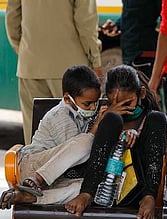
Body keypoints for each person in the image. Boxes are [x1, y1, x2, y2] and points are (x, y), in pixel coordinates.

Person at [65, 65, 167, 219]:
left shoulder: (150, 117)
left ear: (141, 94)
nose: (121, 107)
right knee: (111, 120)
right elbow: (84, 145)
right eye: (113, 102)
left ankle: (149, 197)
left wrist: (135, 135)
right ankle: (86, 194)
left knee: (157, 118)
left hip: (137, 188)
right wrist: (107, 119)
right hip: (101, 186)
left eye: (127, 102)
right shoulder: (100, 113)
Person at [1, 65, 102, 209]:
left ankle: (30, 198)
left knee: (89, 189)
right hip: (32, 167)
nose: (93, 108)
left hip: (53, 177)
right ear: (68, 99)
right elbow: (78, 156)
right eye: (88, 104)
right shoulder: (61, 116)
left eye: (96, 102)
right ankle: (38, 178)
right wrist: (95, 128)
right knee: (86, 142)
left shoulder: (82, 112)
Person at [5, 0, 102, 145]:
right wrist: (95, 61)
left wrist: (26, 52)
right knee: (72, 140)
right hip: (71, 70)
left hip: (31, 66)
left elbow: (12, 17)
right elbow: (85, 24)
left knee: (35, 137)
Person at [99, 0, 162, 78]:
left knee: (146, 88)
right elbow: (131, 13)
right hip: (129, 53)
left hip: (143, 54)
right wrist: (117, 25)